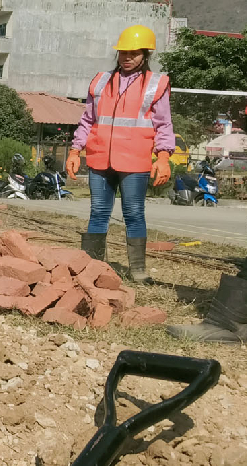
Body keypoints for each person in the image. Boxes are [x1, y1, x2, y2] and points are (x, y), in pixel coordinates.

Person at [66, 24, 174, 283]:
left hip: (134, 161)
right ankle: (92, 268)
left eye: (134, 53)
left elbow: (164, 124)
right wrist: (74, 150)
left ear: (145, 55)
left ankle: (137, 270)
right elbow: (87, 120)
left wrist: (163, 157)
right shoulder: (101, 81)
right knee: (98, 212)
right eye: (123, 53)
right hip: (99, 158)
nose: (127, 58)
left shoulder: (156, 84)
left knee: (134, 213)